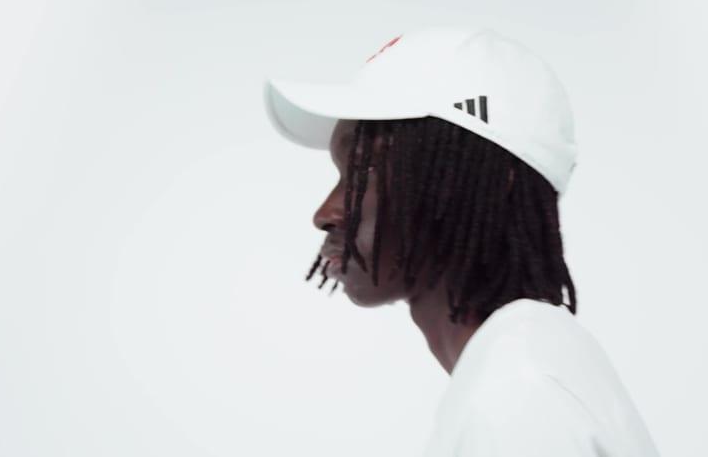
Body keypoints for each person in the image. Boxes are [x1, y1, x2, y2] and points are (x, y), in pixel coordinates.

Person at [263, 26, 661, 457]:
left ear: (480, 185)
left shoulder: (518, 396)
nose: (325, 214)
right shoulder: (520, 368)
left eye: (363, 173)